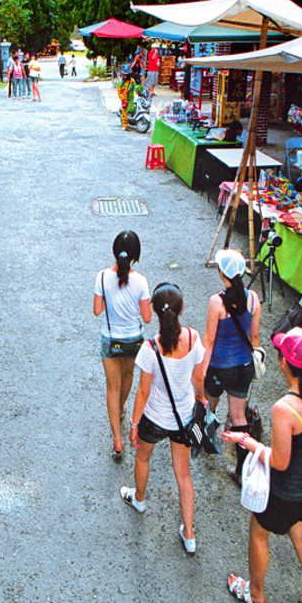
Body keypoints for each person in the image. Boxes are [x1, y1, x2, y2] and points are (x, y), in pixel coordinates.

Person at [222, 328, 302, 603]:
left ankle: (256, 593)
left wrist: (247, 442)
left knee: (259, 534)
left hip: (288, 493)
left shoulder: (284, 408)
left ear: (284, 363)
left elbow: (279, 461)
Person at [121, 283, 205, 555]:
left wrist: (134, 424)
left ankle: (140, 498)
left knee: (143, 457)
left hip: (154, 418)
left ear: (155, 311)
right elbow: (197, 378)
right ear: (182, 309)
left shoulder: (150, 348)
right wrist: (201, 399)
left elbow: (143, 391)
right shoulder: (193, 338)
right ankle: (189, 534)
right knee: (183, 474)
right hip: (183, 418)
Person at [201, 249, 260, 485]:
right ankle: (241, 470)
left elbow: (209, 340)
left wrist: (202, 371)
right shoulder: (253, 298)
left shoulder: (217, 301)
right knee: (238, 416)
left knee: (208, 407)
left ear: (220, 272)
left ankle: (207, 443)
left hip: (218, 367)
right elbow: (254, 338)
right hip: (243, 365)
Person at [94, 231, 152, 461]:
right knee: (128, 377)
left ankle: (117, 442)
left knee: (112, 387)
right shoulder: (141, 281)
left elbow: (97, 310)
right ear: (136, 255)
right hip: (133, 339)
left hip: (110, 339)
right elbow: (147, 318)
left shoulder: (101, 277)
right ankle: (120, 408)